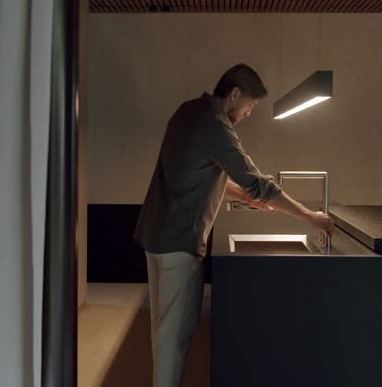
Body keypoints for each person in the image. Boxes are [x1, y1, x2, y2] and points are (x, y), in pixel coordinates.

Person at [133, 63, 335, 386]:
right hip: (179, 244)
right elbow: (259, 183)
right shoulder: (215, 125)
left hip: (155, 238)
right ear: (235, 94)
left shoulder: (188, 112)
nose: (249, 113)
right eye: (251, 105)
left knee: (163, 335)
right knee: (175, 342)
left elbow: (201, 173)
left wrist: (245, 195)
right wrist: (309, 217)